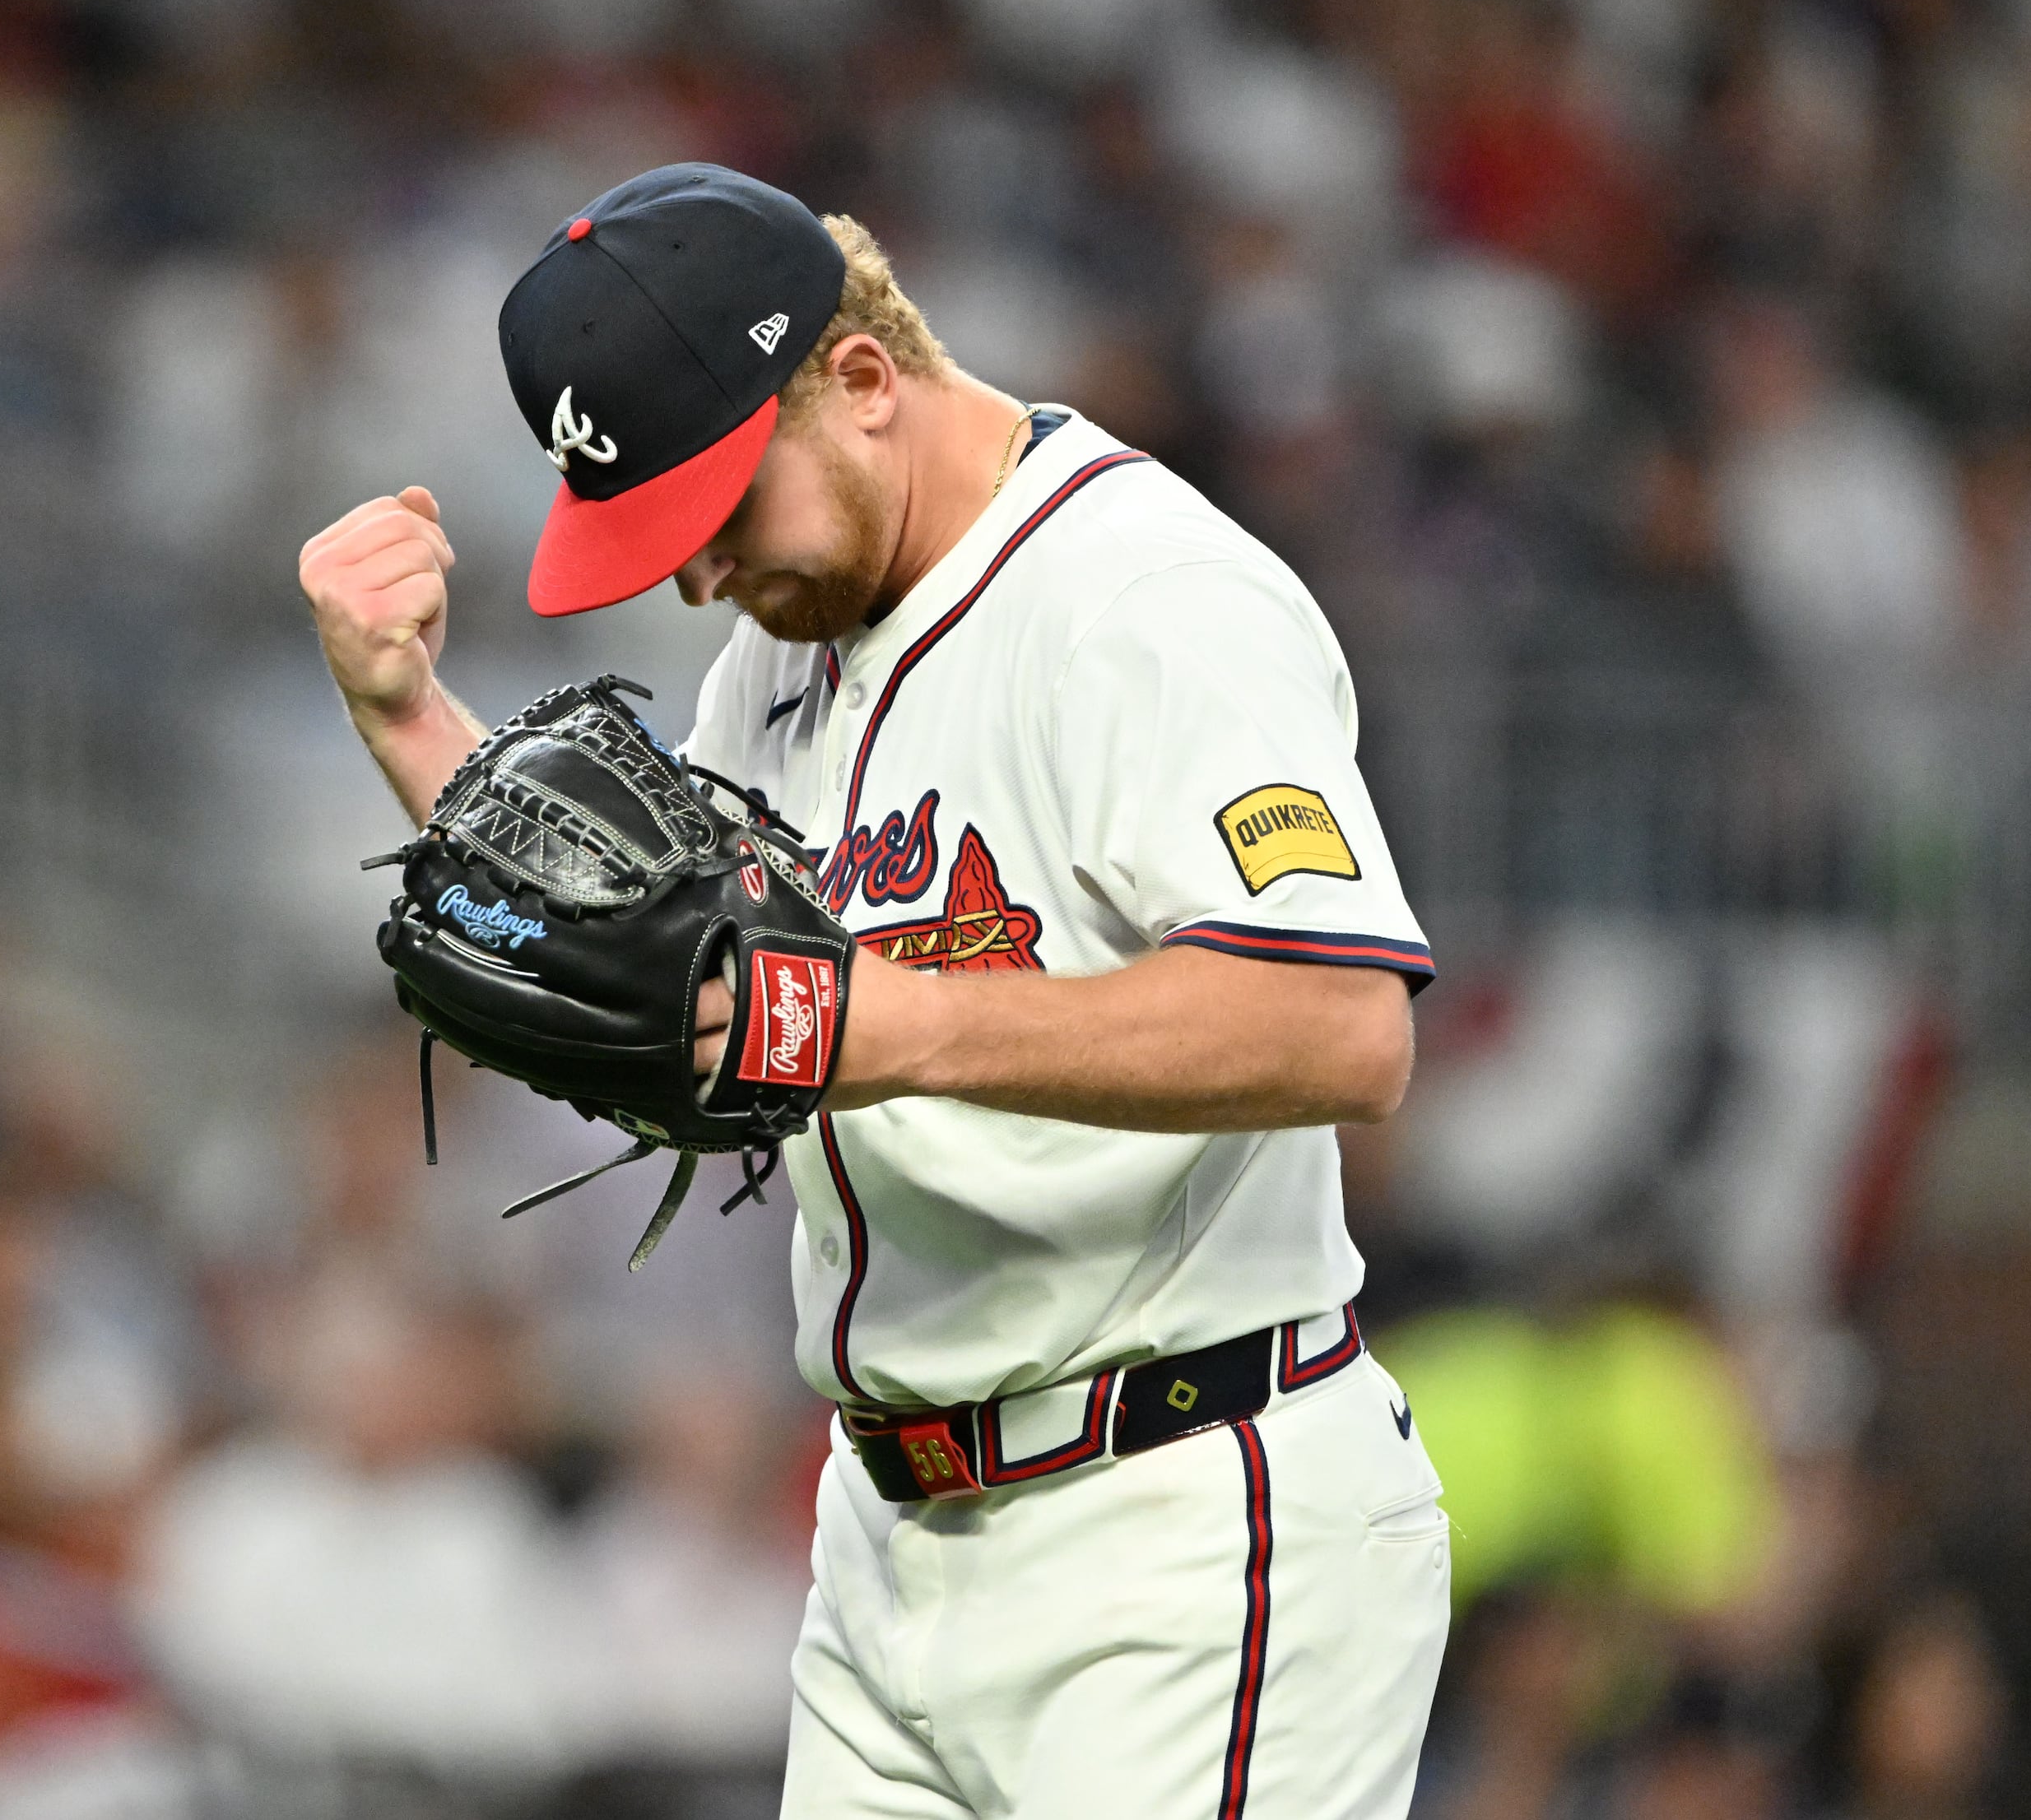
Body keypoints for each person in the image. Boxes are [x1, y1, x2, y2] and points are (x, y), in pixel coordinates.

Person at [297, 164, 1448, 1816]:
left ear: (856, 378)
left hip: (1174, 1527)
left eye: (716, 514)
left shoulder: (1140, 598)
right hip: (892, 1542)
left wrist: (890, 1022)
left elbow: (1344, 1023)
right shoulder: (788, 636)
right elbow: (652, 974)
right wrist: (410, 720)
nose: (695, 581)